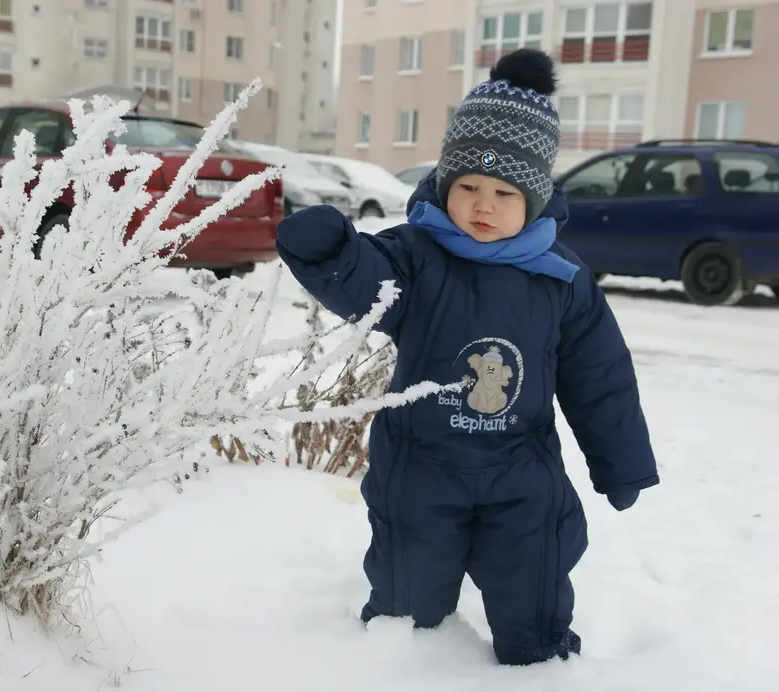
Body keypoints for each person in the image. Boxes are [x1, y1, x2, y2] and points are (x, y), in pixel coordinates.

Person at [274, 48, 659, 666]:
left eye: (504, 192)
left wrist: (622, 464)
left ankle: (538, 664)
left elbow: (600, 377)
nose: (483, 204)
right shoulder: (416, 254)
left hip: (521, 466)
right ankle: (397, 663)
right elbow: (369, 283)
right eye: (469, 187)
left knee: (534, 582)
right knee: (407, 598)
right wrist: (331, 254)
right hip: (422, 464)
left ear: (533, 199)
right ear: (445, 185)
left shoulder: (561, 277)